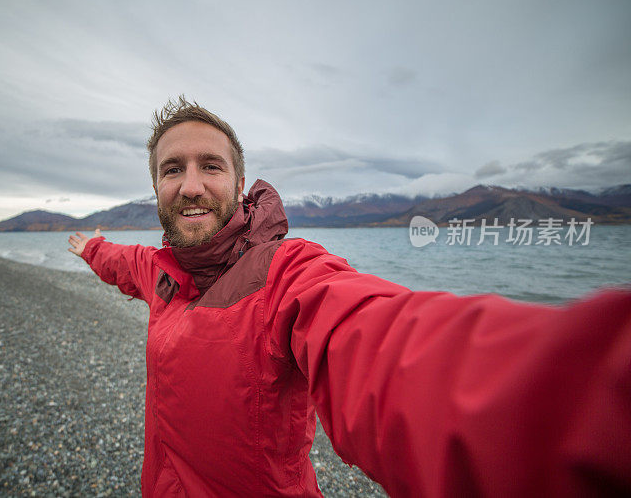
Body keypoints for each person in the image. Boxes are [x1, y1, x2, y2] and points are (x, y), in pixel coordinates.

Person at [68, 96, 631, 497]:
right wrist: (90, 248)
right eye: (173, 170)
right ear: (157, 190)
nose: (191, 185)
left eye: (210, 166)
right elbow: (124, 263)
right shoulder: (162, 272)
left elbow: (385, 348)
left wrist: (583, 402)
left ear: (240, 186)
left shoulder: (287, 274)